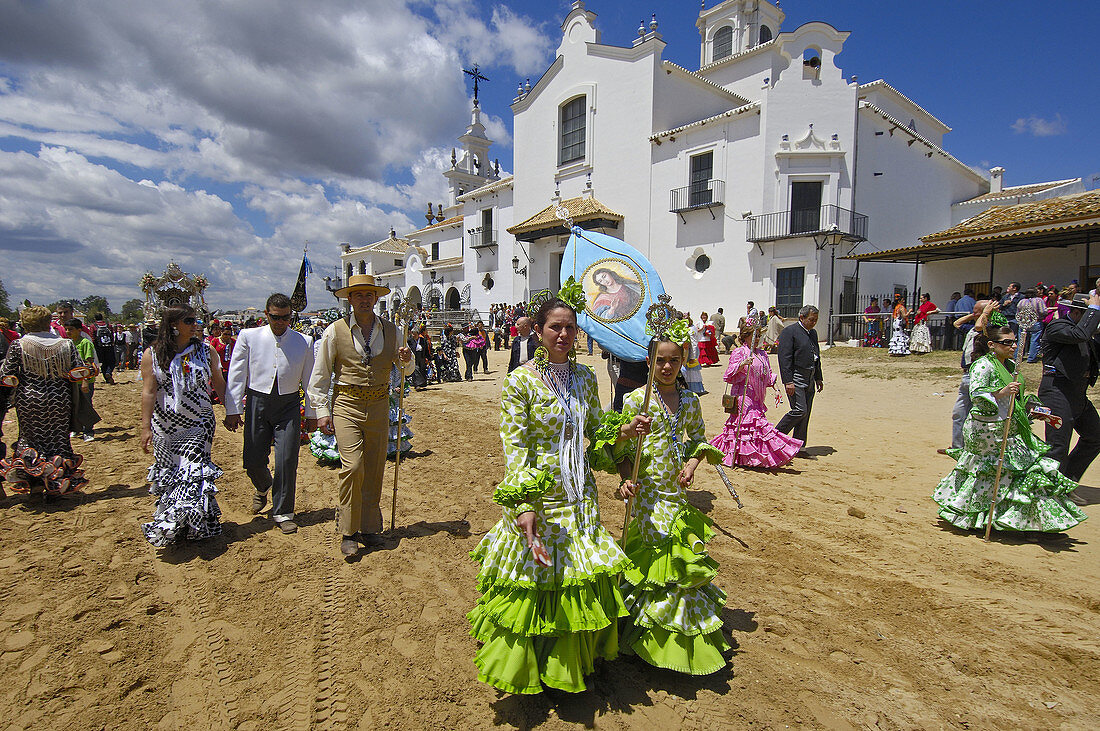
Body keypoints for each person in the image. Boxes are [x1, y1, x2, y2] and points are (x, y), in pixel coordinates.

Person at [467, 296, 651, 695]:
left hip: (579, 490)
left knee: (577, 576)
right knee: (541, 575)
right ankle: (535, 661)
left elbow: (598, 429)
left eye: (570, 327)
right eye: (556, 327)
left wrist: (624, 430)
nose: (564, 334)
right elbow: (515, 447)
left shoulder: (585, 377)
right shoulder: (520, 380)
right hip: (542, 490)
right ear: (539, 331)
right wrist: (524, 504)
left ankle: (572, 660)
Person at [616, 335, 729, 674]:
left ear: (683, 363)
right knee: (653, 561)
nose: (666, 367)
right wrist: (625, 480)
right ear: (648, 362)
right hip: (647, 493)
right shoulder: (637, 399)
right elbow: (621, 449)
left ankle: (676, 638)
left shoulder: (691, 402)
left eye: (673, 361)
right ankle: (644, 634)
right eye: (660, 361)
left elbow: (698, 441)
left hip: (675, 492)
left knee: (679, 562)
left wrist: (691, 465)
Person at [934, 313, 1085, 535]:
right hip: (988, 430)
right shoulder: (982, 365)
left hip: (1013, 428)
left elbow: (1020, 400)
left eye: (1014, 342)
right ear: (992, 345)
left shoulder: (1012, 366)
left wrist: (1037, 410)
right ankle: (980, 517)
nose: (1013, 346)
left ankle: (1023, 522)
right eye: (1007, 343)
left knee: (1024, 471)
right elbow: (977, 395)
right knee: (991, 472)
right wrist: (1002, 392)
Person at [307, 274, 413, 557]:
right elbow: (320, 375)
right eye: (359, 295)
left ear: (376, 298)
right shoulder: (334, 331)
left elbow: (408, 370)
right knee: (353, 467)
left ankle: (369, 528)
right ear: (349, 299)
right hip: (346, 405)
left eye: (369, 294)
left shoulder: (392, 330)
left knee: (375, 466)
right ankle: (348, 531)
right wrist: (321, 410)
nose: (365, 299)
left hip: (379, 404)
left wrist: (406, 359)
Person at [224, 293, 317, 534]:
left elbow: (310, 381)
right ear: (267, 314)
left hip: (288, 406)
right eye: (276, 317)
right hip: (257, 402)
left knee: (287, 459)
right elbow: (236, 375)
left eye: (286, 317)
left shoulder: (304, 341)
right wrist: (233, 409)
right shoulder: (249, 336)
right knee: (253, 460)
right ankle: (264, 485)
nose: (281, 322)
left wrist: (313, 413)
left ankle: (283, 511)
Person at [140, 306, 227, 546]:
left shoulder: (206, 351)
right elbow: (148, 391)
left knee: (194, 472)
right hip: (165, 425)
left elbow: (218, 383)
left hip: (199, 422)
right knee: (172, 473)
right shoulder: (152, 354)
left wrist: (231, 410)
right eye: (189, 320)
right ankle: (174, 522)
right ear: (173, 325)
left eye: (196, 320)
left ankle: (198, 523)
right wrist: (145, 426)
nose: (195, 324)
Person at [0, 306, 91, 496]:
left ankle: (35, 482)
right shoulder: (65, 344)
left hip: (29, 399)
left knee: (30, 440)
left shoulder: (19, 345)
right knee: (58, 440)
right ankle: (56, 483)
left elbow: (6, 374)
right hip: (59, 399)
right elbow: (79, 370)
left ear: (25, 324)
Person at [711, 321, 802, 468]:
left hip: (757, 396)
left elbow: (768, 374)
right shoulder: (740, 352)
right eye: (755, 335)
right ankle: (739, 456)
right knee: (753, 424)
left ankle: (750, 457)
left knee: (752, 429)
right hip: (743, 395)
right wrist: (742, 364)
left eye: (759, 335)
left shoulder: (762, 354)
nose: (758, 338)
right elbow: (728, 375)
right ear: (746, 337)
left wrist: (776, 387)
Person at [1037, 293, 1100, 491]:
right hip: (1057, 391)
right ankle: (1046, 492)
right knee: (1058, 445)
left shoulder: (1085, 332)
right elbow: (1079, 335)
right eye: (1088, 314)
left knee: (1095, 436)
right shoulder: (1058, 326)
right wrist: (1095, 309)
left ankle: (1065, 482)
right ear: (1076, 312)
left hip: (1077, 393)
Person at [943, 300, 992, 453]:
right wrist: (973, 315)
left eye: (976, 310)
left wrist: (984, 314)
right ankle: (958, 447)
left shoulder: (990, 329)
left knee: (981, 415)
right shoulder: (972, 328)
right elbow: (957, 323)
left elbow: (980, 326)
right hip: (967, 375)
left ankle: (978, 449)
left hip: (978, 375)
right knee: (959, 413)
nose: (974, 313)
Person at [775, 305, 823, 450]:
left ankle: (799, 446)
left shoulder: (812, 333)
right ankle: (776, 435)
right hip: (796, 377)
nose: (813, 322)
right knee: (799, 410)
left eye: (815, 320)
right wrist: (788, 381)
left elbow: (816, 357)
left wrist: (818, 377)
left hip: (810, 377)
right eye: (811, 319)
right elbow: (784, 358)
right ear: (802, 317)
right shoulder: (790, 332)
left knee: (806, 413)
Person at [65, 319, 101, 442]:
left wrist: (85, 380)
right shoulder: (68, 343)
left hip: (84, 381)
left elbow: (88, 363)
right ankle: (76, 428)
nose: (68, 332)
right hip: (72, 381)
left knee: (86, 405)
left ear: (79, 330)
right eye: (67, 329)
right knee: (73, 405)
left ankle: (88, 431)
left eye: (71, 329)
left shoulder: (85, 343)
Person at [1020, 288, 1048, 363]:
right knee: (1035, 340)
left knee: (1022, 340)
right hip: (1035, 321)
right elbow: (1043, 311)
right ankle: (1031, 358)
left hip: (1023, 322)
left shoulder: (1021, 301)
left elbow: (1018, 312)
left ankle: (1018, 356)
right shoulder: (1039, 300)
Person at [682, 312, 705, 395]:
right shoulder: (688, 328)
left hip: (691, 352)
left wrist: (693, 357)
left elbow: (694, 343)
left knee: (692, 371)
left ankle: (694, 389)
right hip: (689, 352)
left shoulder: (691, 329)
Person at [410, 324, 434, 390]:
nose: (413, 335)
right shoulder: (410, 341)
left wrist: (429, 358)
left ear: (418, 334)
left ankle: (422, 383)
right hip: (414, 357)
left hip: (421, 357)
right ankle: (416, 385)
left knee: (422, 369)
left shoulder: (423, 340)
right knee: (415, 370)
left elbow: (426, 350)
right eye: (412, 334)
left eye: (414, 334)